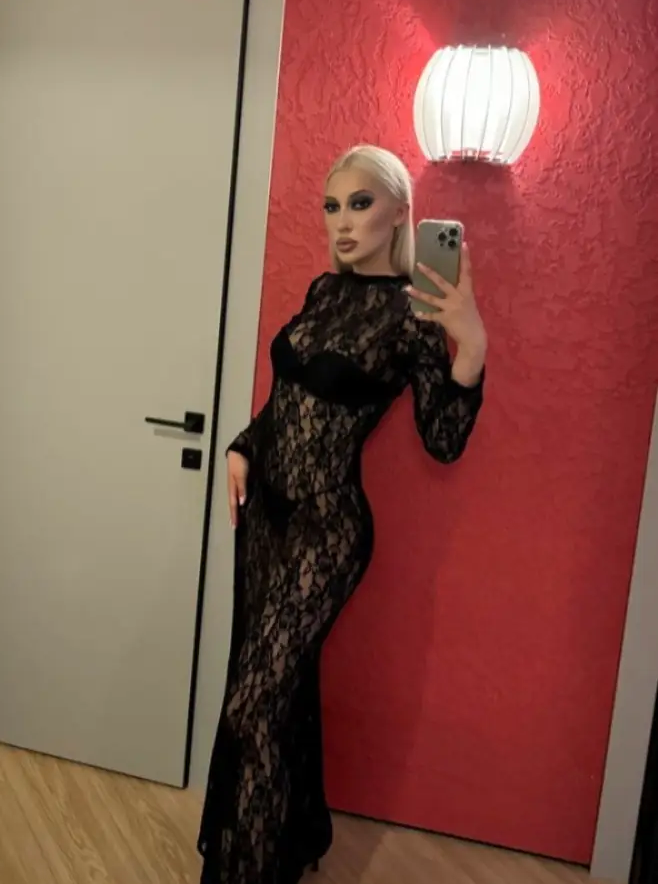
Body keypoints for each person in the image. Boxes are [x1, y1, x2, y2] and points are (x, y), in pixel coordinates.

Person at [197, 145, 487, 884]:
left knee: (254, 703)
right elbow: (287, 400)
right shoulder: (324, 290)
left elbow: (443, 439)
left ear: (400, 212)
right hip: (266, 518)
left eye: (361, 203)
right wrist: (242, 445)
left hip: (326, 533)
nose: (343, 222)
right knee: (277, 690)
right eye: (332, 206)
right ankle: (292, 840)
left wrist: (472, 343)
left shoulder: (411, 316)